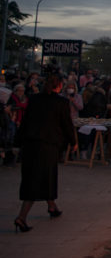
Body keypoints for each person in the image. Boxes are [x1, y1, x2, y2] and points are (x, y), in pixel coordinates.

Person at [13, 74, 76, 233]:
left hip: (30, 144)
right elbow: (66, 124)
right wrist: (73, 141)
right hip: (47, 145)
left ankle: (52, 206)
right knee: (38, 179)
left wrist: (17, 142)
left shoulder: (34, 99)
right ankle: (21, 217)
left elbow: (25, 121)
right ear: (59, 86)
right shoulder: (61, 102)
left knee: (42, 177)